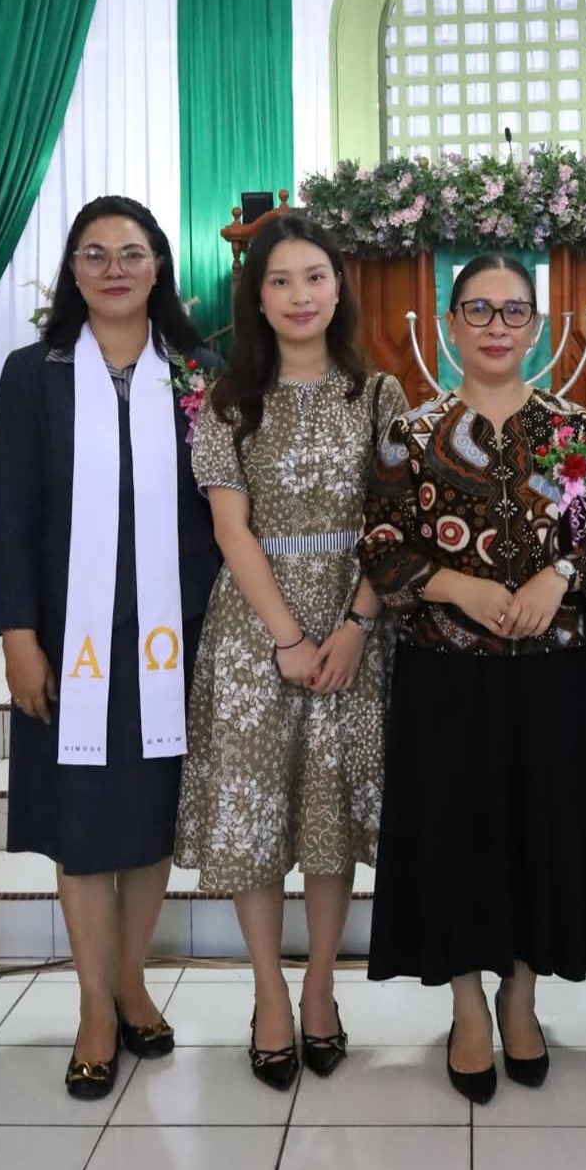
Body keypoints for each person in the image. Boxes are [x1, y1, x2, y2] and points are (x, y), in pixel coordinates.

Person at [361, 254, 586, 1103]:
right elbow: (381, 542)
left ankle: (522, 997)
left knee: (537, 834)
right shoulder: (412, 430)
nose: (496, 327)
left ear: (537, 327)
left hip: (550, 676)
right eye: (478, 310)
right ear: (449, 323)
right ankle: (467, 1006)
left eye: (514, 312)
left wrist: (558, 577)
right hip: (447, 677)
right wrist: (457, 585)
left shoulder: (572, 428)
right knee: (456, 839)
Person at [0, 196, 222, 1100]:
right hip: (66, 640)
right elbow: (10, 512)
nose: (114, 268)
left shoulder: (199, 371)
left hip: (176, 634)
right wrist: (16, 634)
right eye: (95, 253)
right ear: (73, 271)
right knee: (82, 828)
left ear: (159, 266)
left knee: (151, 817)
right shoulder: (32, 372)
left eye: (132, 252)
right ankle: (94, 1004)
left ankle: (132, 981)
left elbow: (224, 506)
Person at [175, 213, 406, 1091]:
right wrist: (287, 638)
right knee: (257, 813)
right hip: (252, 633)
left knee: (329, 812)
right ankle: (268, 991)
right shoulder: (229, 401)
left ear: (339, 288)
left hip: (356, 625)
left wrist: (351, 624)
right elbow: (230, 529)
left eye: (314, 277)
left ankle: (320, 991)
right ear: (257, 297)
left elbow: (394, 524)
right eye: (280, 281)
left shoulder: (379, 394)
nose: (300, 295)